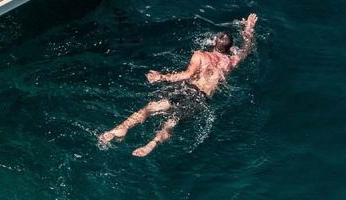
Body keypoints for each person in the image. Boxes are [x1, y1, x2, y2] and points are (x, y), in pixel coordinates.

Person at [99, 14, 258, 156]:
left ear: (215, 41)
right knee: (171, 123)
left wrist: (162, 76)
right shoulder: (231, 61)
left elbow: (187, 74)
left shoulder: (201, 55)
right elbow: (247, 47)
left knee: (151, 107)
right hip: (201, 98)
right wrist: (249, 27)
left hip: (186, 89)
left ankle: (121, 128)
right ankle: (152, 143)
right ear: (230, 48)